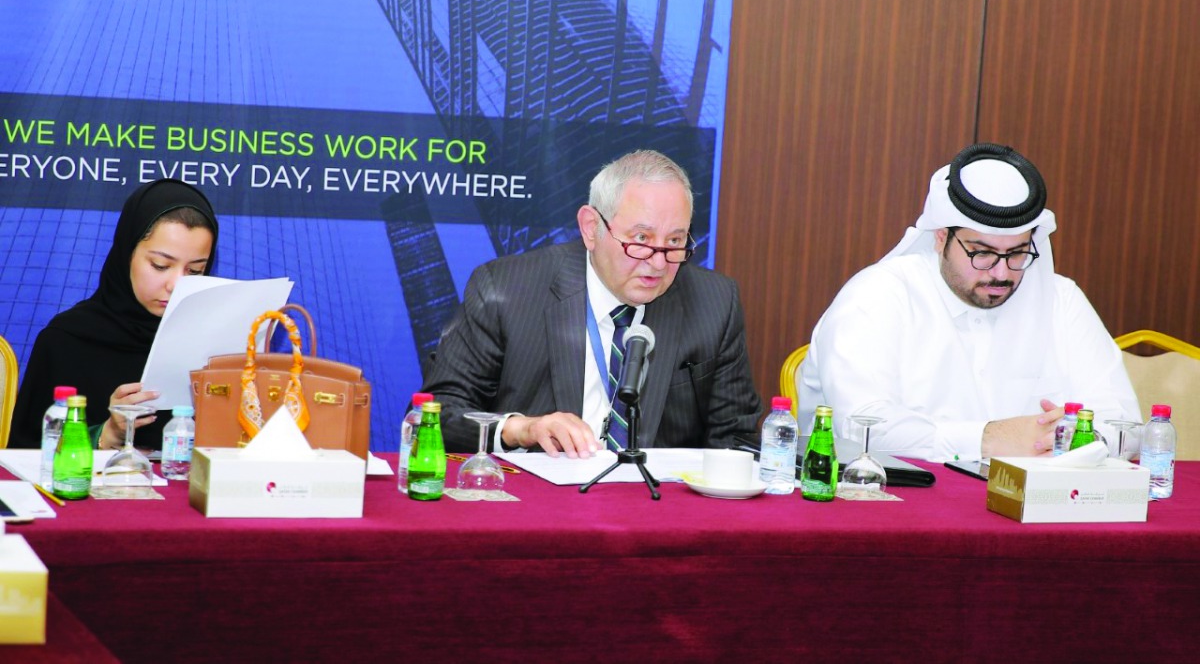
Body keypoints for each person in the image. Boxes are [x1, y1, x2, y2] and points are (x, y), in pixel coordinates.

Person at [798, 142, 1141, 462]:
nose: (1002, 273)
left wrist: (1074, 436)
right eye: (982, 253)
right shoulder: (878, 295)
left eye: (1018, 253)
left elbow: (1129, 428)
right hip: (895, 505)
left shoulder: (1061, 300)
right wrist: (987, 438)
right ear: (941, 238)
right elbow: (862, 428)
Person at [422, 149, 763, 455]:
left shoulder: (715, 303)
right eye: (641, 239)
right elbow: (439, 412)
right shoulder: (506, 289)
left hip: (656, 512)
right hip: (538, 509)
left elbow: (736, 440)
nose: (659, 264)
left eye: (674, 241)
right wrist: (521, 429)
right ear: (591, 227)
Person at [10, 178, 218, 451]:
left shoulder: (214, 343)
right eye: (160, 265)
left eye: (194, 271)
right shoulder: (66, 340)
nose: (177, 284)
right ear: (126, 253)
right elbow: (25, 457)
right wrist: (106, 434)